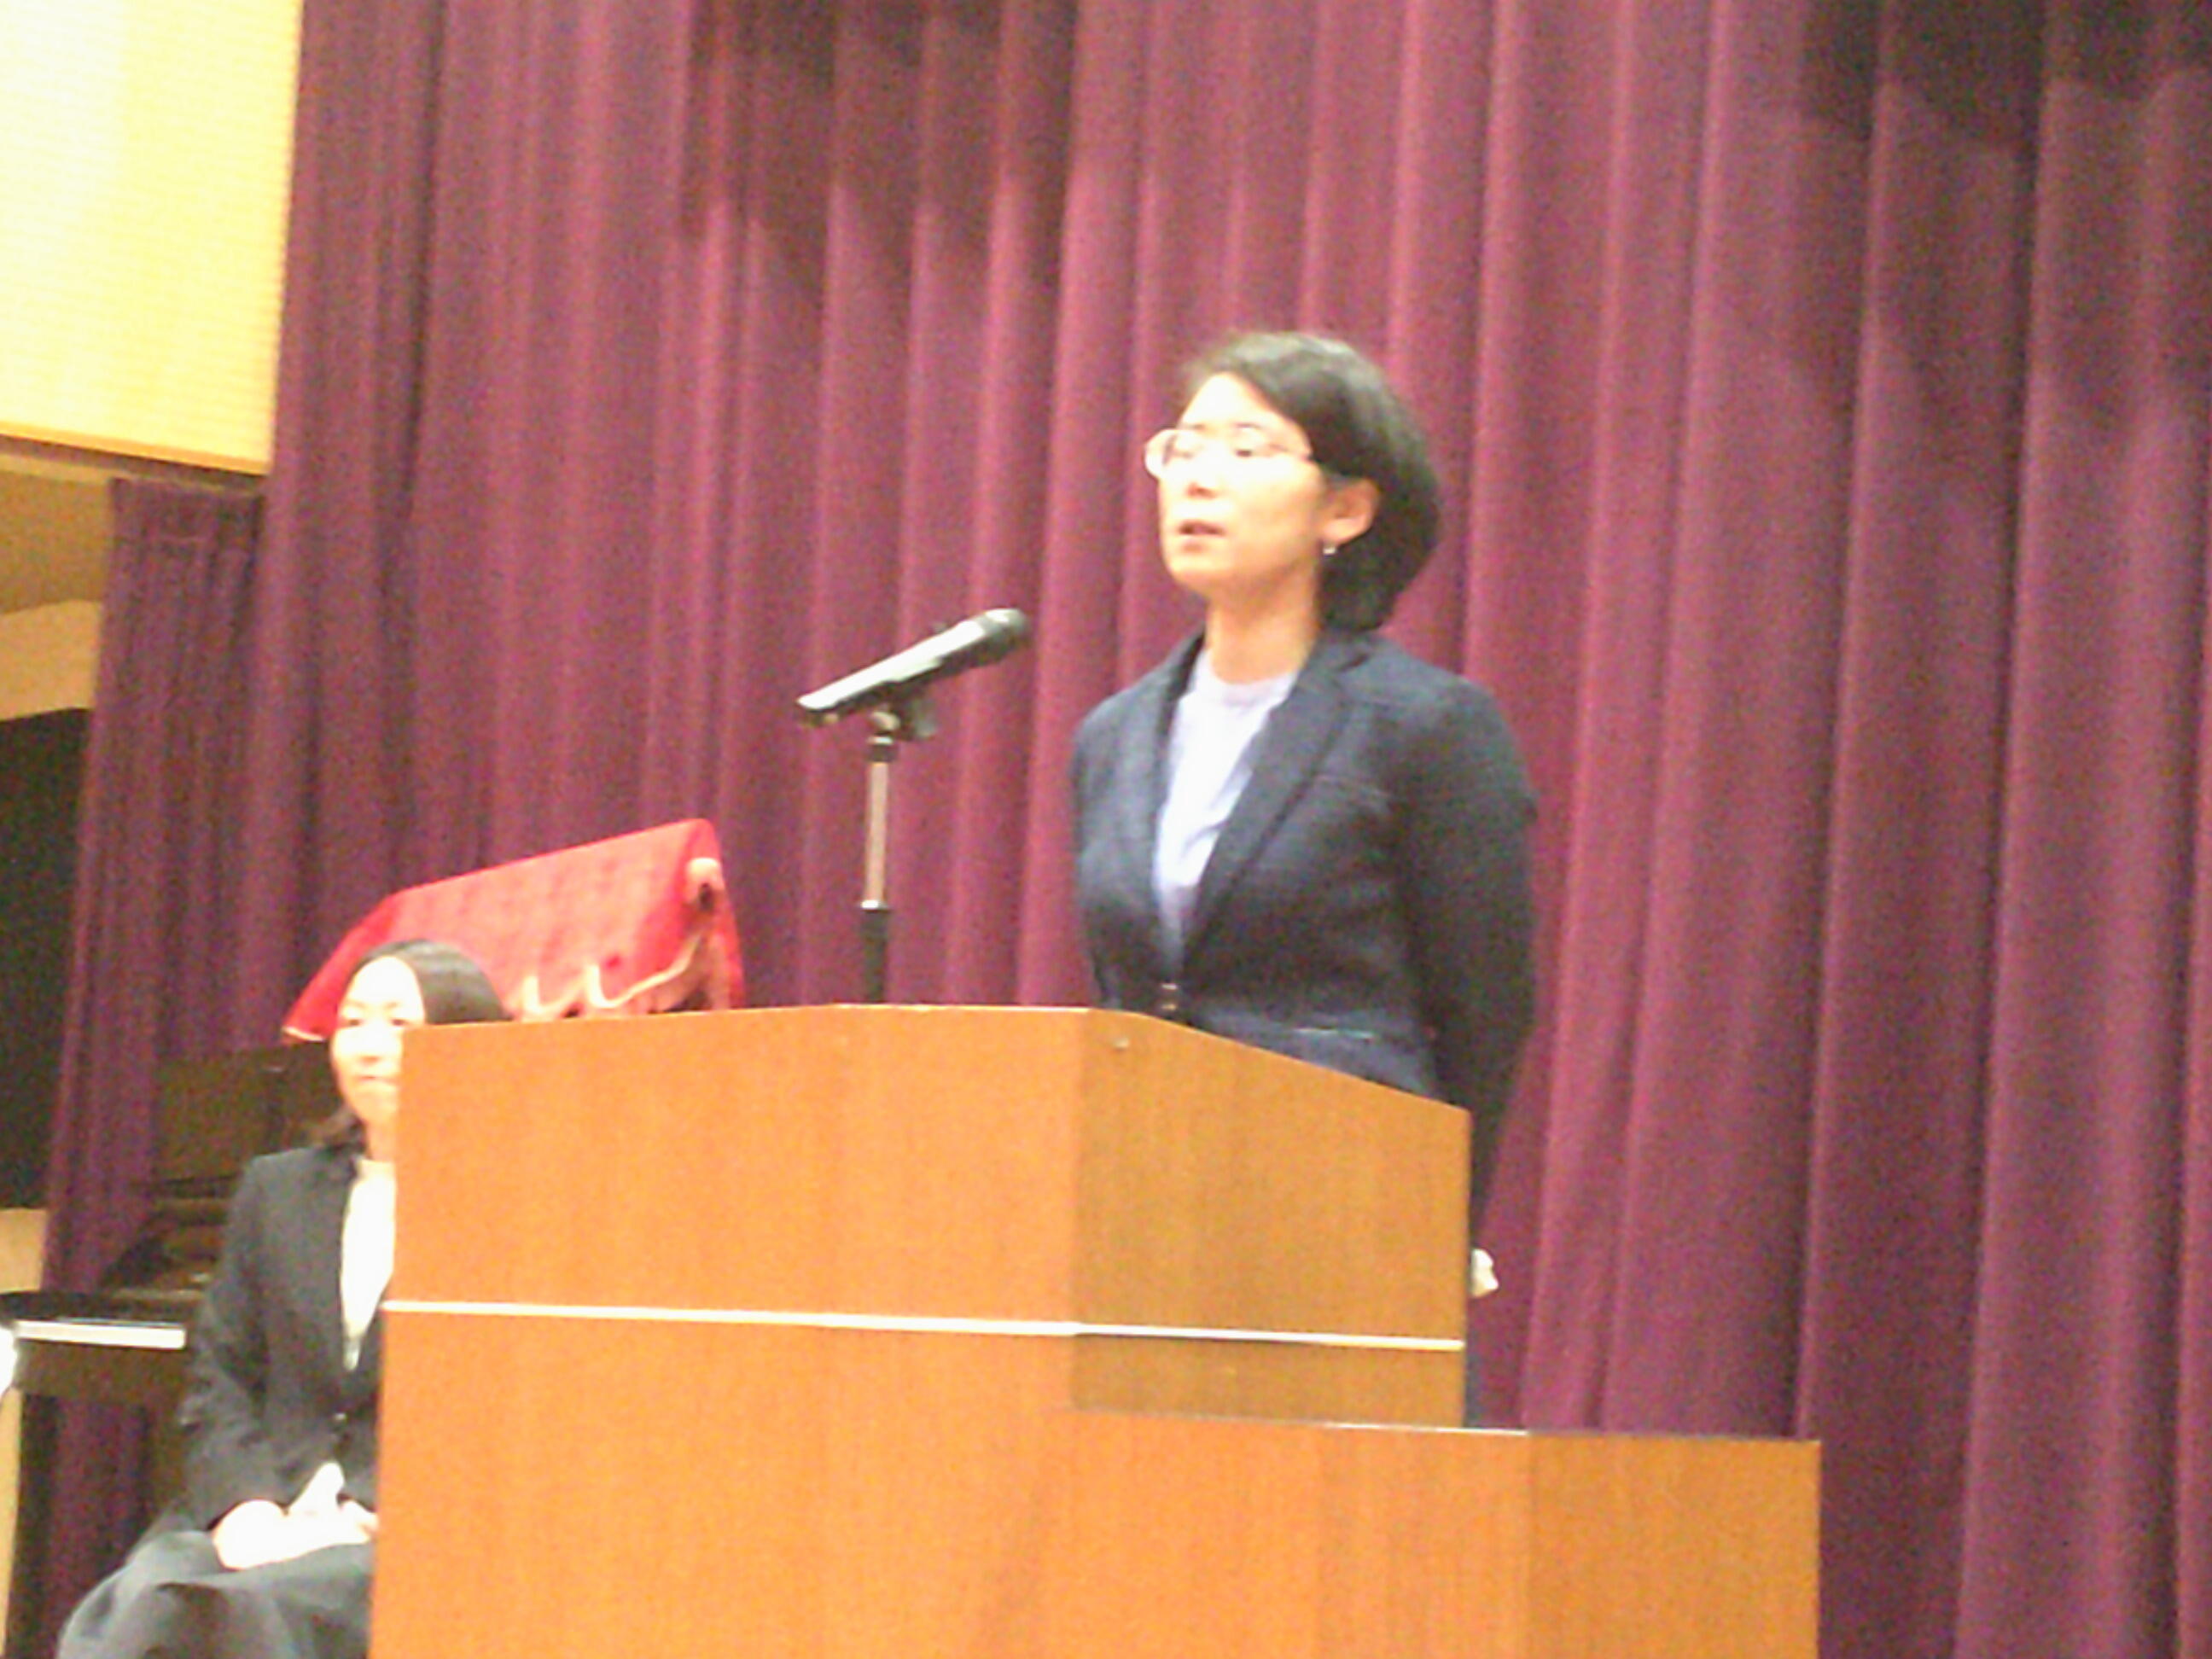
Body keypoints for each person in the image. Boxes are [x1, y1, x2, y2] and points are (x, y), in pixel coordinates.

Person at [1072, 331, 1535, 1414]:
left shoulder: (1427, 728)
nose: (1199, 476)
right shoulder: (1114, 736)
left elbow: (1485, 1012)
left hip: (1347, 1223)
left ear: (1346, 510)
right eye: (1184, 446)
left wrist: (1431, 1238)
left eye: (1247, 447)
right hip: (1148, 1231)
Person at [59, 940, 508, 1659]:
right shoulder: (277, 1189)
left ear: (466, 1041)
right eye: (353, 1023)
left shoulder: (505, 1204)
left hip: (403, 1528)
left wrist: (361, 1512)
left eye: (400, 1024)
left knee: (239, 1613)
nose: (369, 1047)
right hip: (264, 1507)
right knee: (139, 1602)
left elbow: (494, 1401)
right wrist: (245, 1506)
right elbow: (221, 1375)